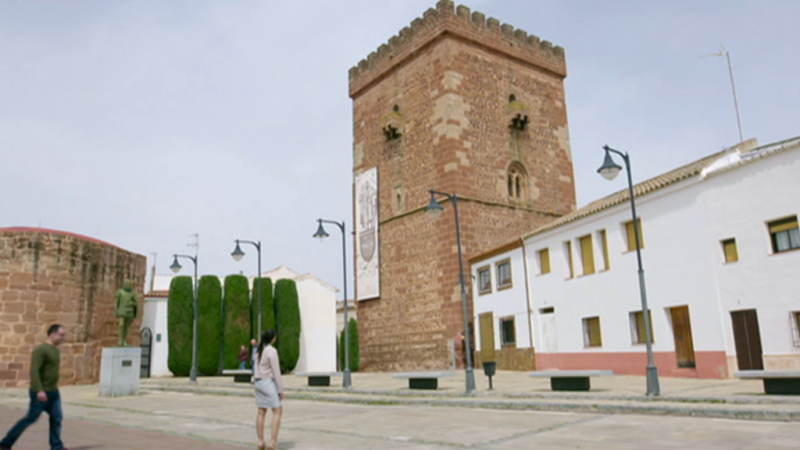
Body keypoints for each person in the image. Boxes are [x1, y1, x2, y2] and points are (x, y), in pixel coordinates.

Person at [0, 324, 70, 450]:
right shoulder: (41, 350)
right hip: (41, 392)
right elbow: (35, 370)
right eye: (61, 335)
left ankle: (56, 446)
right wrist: (39, 390)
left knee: (57, 417)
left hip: (53, 391)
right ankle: (5, 443)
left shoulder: (55, 350)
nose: (63, 338)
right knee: (30, 418)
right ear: (52, 334)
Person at [254, 329, 283, 450]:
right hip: (268, 382)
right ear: (273, 338)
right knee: (278, 410)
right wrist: (280, 390)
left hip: (258, 382)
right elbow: (276, 371)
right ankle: (273, 443)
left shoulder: (258, 351)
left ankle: (261, 441)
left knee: (261, 411)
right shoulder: (272, 351)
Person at [114, 279, 138, 347]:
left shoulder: (132, 293)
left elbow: (135, 303)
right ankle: (120, 340)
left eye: (129, 284)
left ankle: (124, 340)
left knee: (127, 327)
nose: (128, 285)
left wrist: (132, 304)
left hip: (129, 311)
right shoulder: (120, 292)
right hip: (122, 311)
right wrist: (116, 310)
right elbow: (116, 302)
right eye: (127, 284)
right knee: (121, 325)